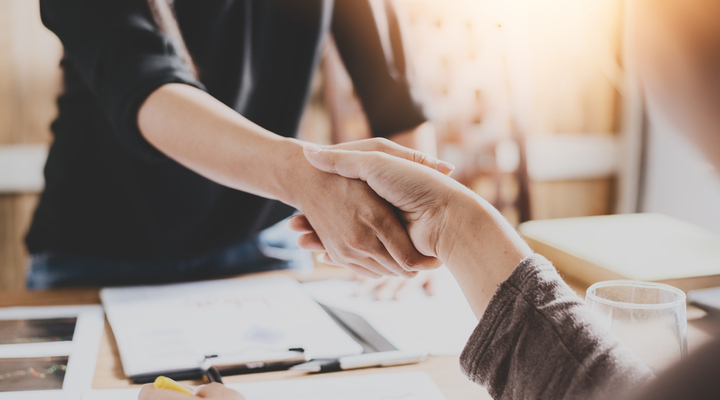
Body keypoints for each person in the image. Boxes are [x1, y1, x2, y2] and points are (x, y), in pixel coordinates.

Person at [139, 0, 720, 398]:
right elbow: (143, 81)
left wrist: (419, 217)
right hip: (113, 238)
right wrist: (440, 216)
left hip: (266, 240)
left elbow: (395, 93)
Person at [28, 0, 448, 293]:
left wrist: (414, 229)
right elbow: (148, 89)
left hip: (263, 242)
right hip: (98, 254)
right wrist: (302, 178)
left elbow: (395, 98)